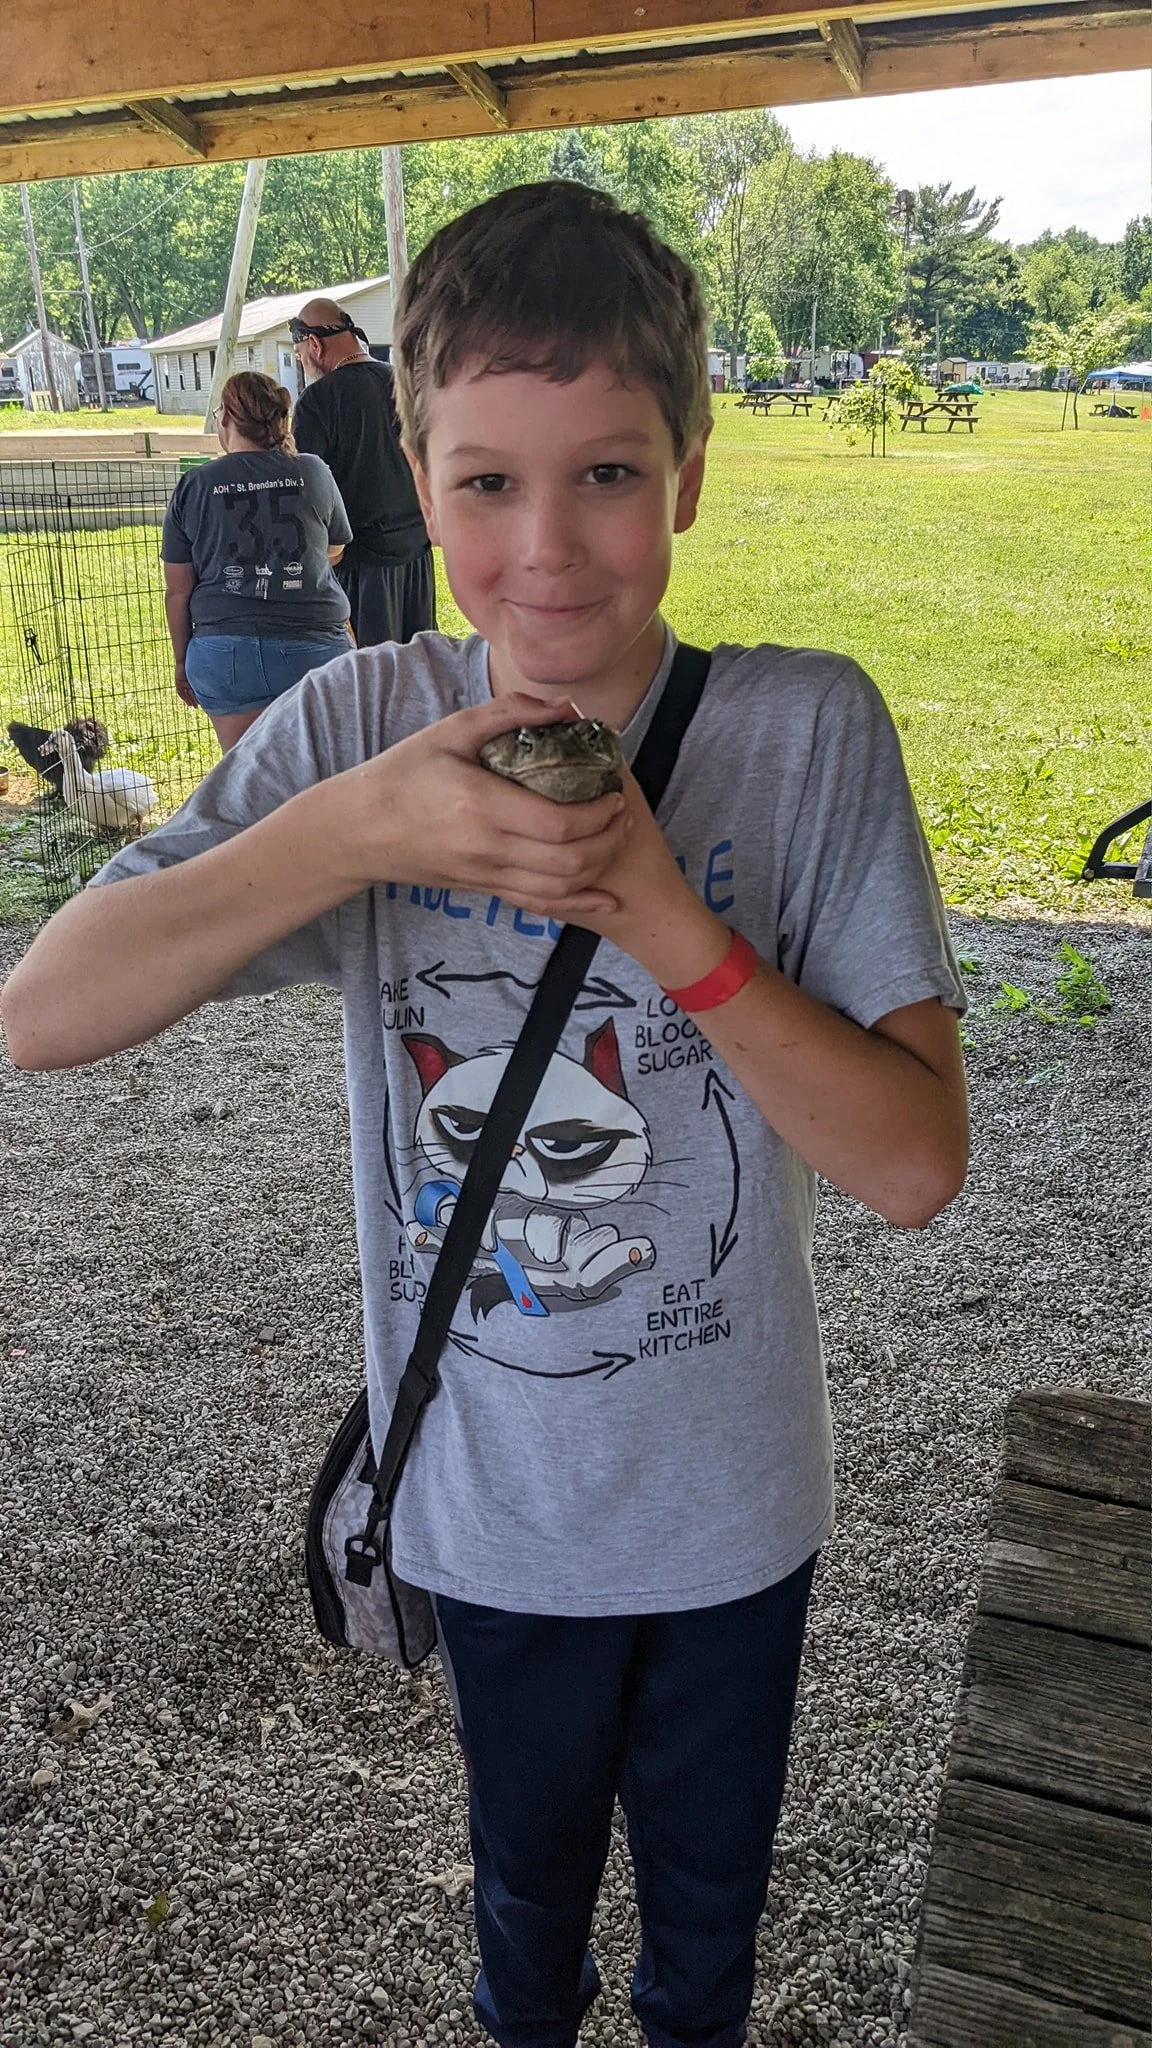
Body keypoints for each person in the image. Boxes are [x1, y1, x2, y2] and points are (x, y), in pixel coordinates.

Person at [1, 182, 969, 2048]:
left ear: (688, 470)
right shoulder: (364, 725)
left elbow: (910, 1164)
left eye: (605, 473)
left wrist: (664, 916)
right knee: (522, 1914)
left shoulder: (805, 729)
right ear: (414, 485)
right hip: (493, 1513)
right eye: (487, 485)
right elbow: (43, 1014)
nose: (548, 552)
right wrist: (361, 825)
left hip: (731, 1503)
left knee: (709, 1928)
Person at [162, 370, 352, 753]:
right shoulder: (312, 470)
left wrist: (182, 662)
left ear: (227, 418)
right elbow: (336, 548)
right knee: (321, 774)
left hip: (224, 656)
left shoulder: (194, 485)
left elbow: (177, 590)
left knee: (244, 778)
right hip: (315, 651)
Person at [290, 297, 435, 647]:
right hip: (418, 558)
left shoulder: (317, 401)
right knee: (421, 670)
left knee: (369, 681)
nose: (302, 362)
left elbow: (308, 489)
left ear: (314, 344)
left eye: (299, 354)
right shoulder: (406, 386)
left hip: (360, 567)